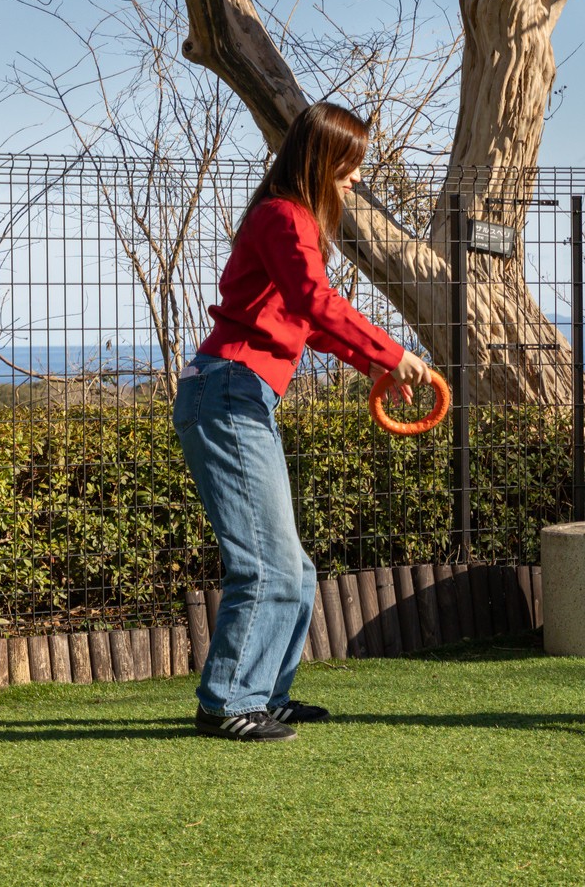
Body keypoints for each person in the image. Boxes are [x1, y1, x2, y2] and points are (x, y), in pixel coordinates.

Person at [173, 102, 435, 740]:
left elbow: (306, 322)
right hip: (229, 392)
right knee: (265, 564)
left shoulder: (284, 221)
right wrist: (392, 352)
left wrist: (372, 368)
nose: (353, 183)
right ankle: (227, 703)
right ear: (321, 163)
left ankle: (264, 693)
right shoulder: (283, 216)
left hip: (240, 394)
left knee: (295, 566)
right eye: (348, 171)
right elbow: (315, 300)